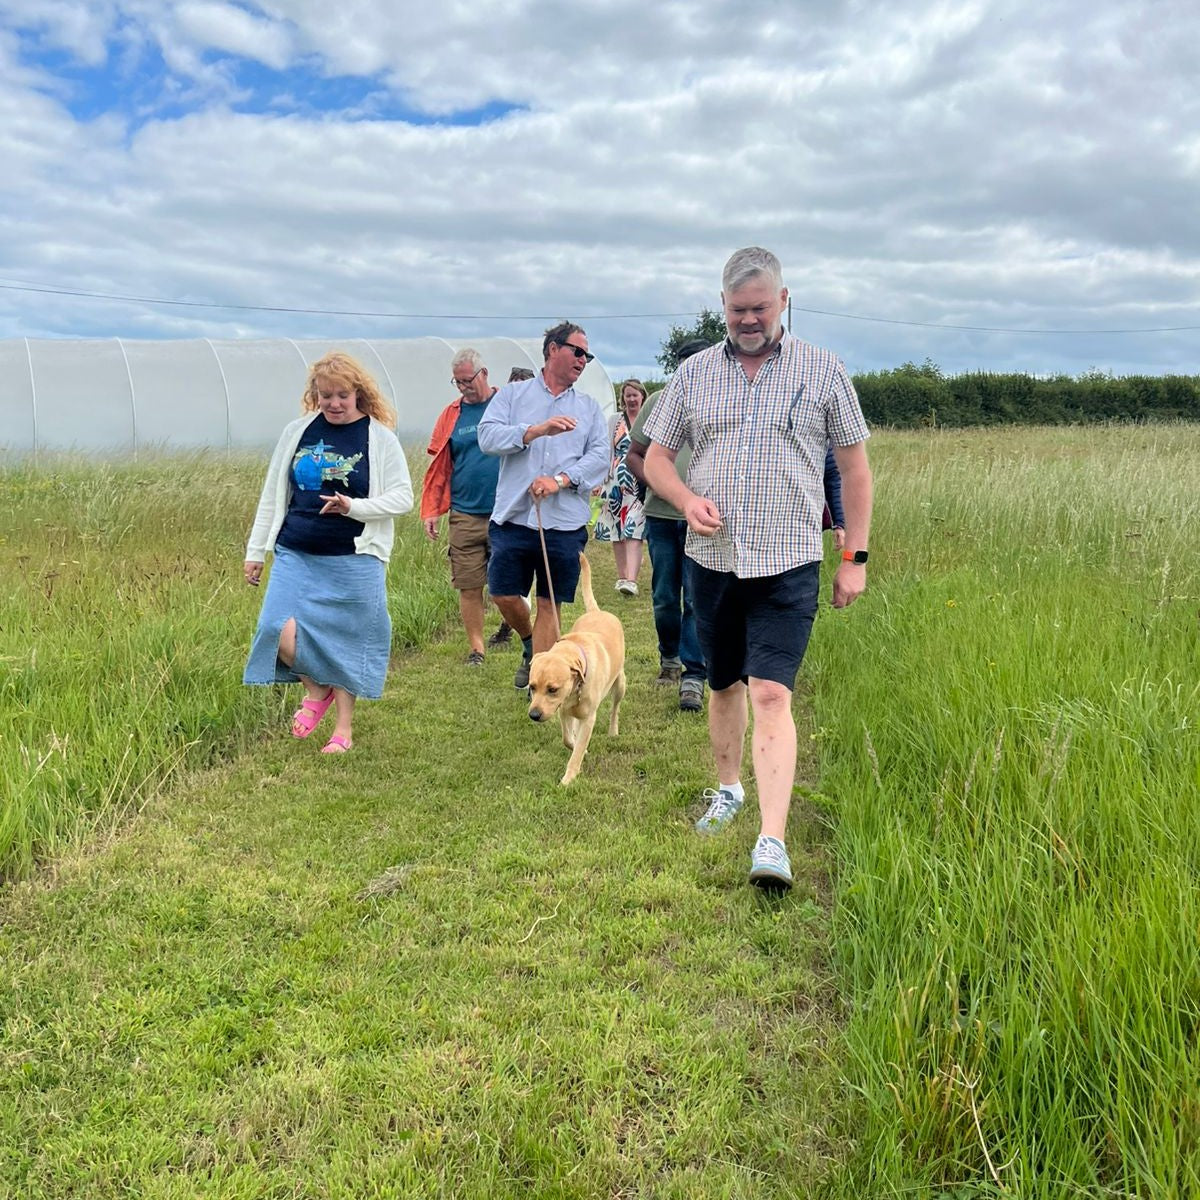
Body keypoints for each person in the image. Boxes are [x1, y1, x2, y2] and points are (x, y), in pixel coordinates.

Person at [643, 247, 873, 891]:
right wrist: (686, 500)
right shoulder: (692, 375)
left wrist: (853, 556)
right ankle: (728, 789)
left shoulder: (824, 371)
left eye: (760, 308)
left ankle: (771, 840)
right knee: (722, 685)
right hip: (711, 561)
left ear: (784, 300)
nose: (749, 320)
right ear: (723, 306)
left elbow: (855, 470)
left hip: (789, 560)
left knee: (771, 691)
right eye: (738, 310)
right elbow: (655, 459)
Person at [243, 350, 414, 753]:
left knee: (347, 642)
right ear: (314, 395)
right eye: (325, 396)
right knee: (273, 628)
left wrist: (353, 507)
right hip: (295, 550)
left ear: (358, 393)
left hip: (355, 557)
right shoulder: (297, 432)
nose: (334, 404)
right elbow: (272, 494)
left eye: (342, 395)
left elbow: (403, 497)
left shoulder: (379, 439)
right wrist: (256, 550)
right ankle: (316, 691)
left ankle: (344, 730)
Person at [477, 321, 611, 690]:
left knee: (550, 601)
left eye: (588, 355)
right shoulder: (512, 396)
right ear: (553, 349)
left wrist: (560, 480)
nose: (584, 361)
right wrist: (534, 431)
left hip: (564, 522)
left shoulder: (589, 408)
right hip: (514, 517)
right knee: (503, 593)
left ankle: (541, 676)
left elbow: (601, 456)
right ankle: (529, 645)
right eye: (578, 352)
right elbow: (486, 437)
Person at [626, 341, 712, 714]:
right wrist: (658, 483)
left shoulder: (722, 401)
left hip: (704, 521)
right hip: (662, 516)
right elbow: (635, 453)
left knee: (695, 598)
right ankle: (669, 659)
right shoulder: (658, 401)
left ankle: (694, 675)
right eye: (683, 367)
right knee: (664, 595)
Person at [420, 348, 514, 664]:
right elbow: (439, 466)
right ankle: (477, 648)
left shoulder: (507, 405)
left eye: (468, 380)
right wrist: (432, 509)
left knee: (506, 584)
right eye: (457, 382)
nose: (463, 387)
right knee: (468, 585)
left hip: (506, 513)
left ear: (484, 374)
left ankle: (521, 631)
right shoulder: (452, 415)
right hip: (464, 513)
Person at [593, 379, 647, 595]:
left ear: (642, 396)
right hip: (615, 483)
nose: (631, 399)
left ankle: (631, 580)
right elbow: (606, 450)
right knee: (617, 531)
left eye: (635, 395)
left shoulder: (649, 418)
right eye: (628, 395)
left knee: (634, 529)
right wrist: (599, 480)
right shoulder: (614, 420)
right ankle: (622, 576)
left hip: (639, 483)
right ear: (622, 398)